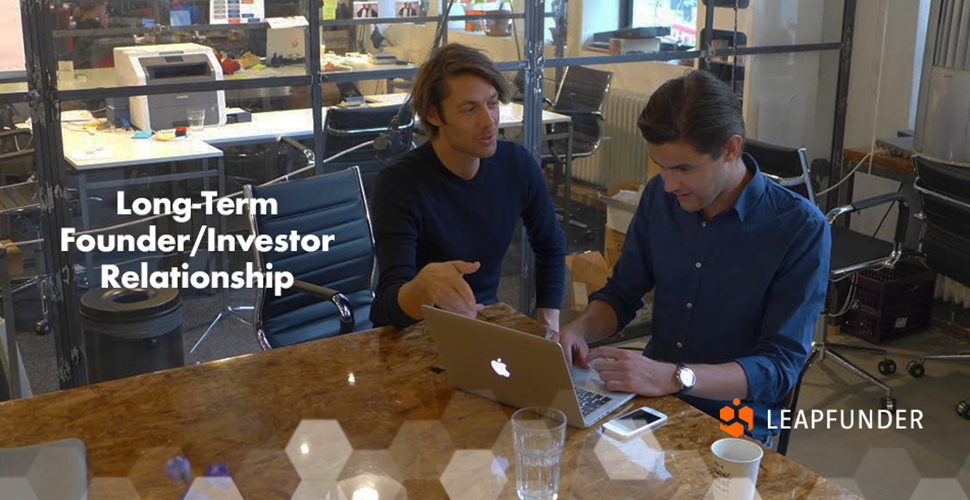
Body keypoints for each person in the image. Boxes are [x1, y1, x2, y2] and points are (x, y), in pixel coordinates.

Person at [554, 70, 831, 445]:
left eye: (684, 168)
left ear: (731, 149)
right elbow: (622, 294)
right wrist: (578, 330)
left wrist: (673, 377)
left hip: (737, 421)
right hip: (654, 402)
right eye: (661, 166)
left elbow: (780, 367)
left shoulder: (799, 228)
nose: (669, 184)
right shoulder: (661, 196)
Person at [370, 43, 566, 331]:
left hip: (486, 324)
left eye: (492, 103)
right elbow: (387, 307)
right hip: (414, 332)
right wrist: (424, 286)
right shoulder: (400, 183)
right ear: (435, 115)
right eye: (469, 109)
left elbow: (550, 244)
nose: (488, 122)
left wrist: (549, 324)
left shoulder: (516, 164)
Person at [72, 0, 108, 70]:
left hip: (80, 65)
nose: (105, 9)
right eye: (105, 6)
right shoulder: (96, 26)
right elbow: (104, 47)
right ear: (98, 6)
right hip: (91, 66)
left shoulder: (78, 24)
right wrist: (105, 28)